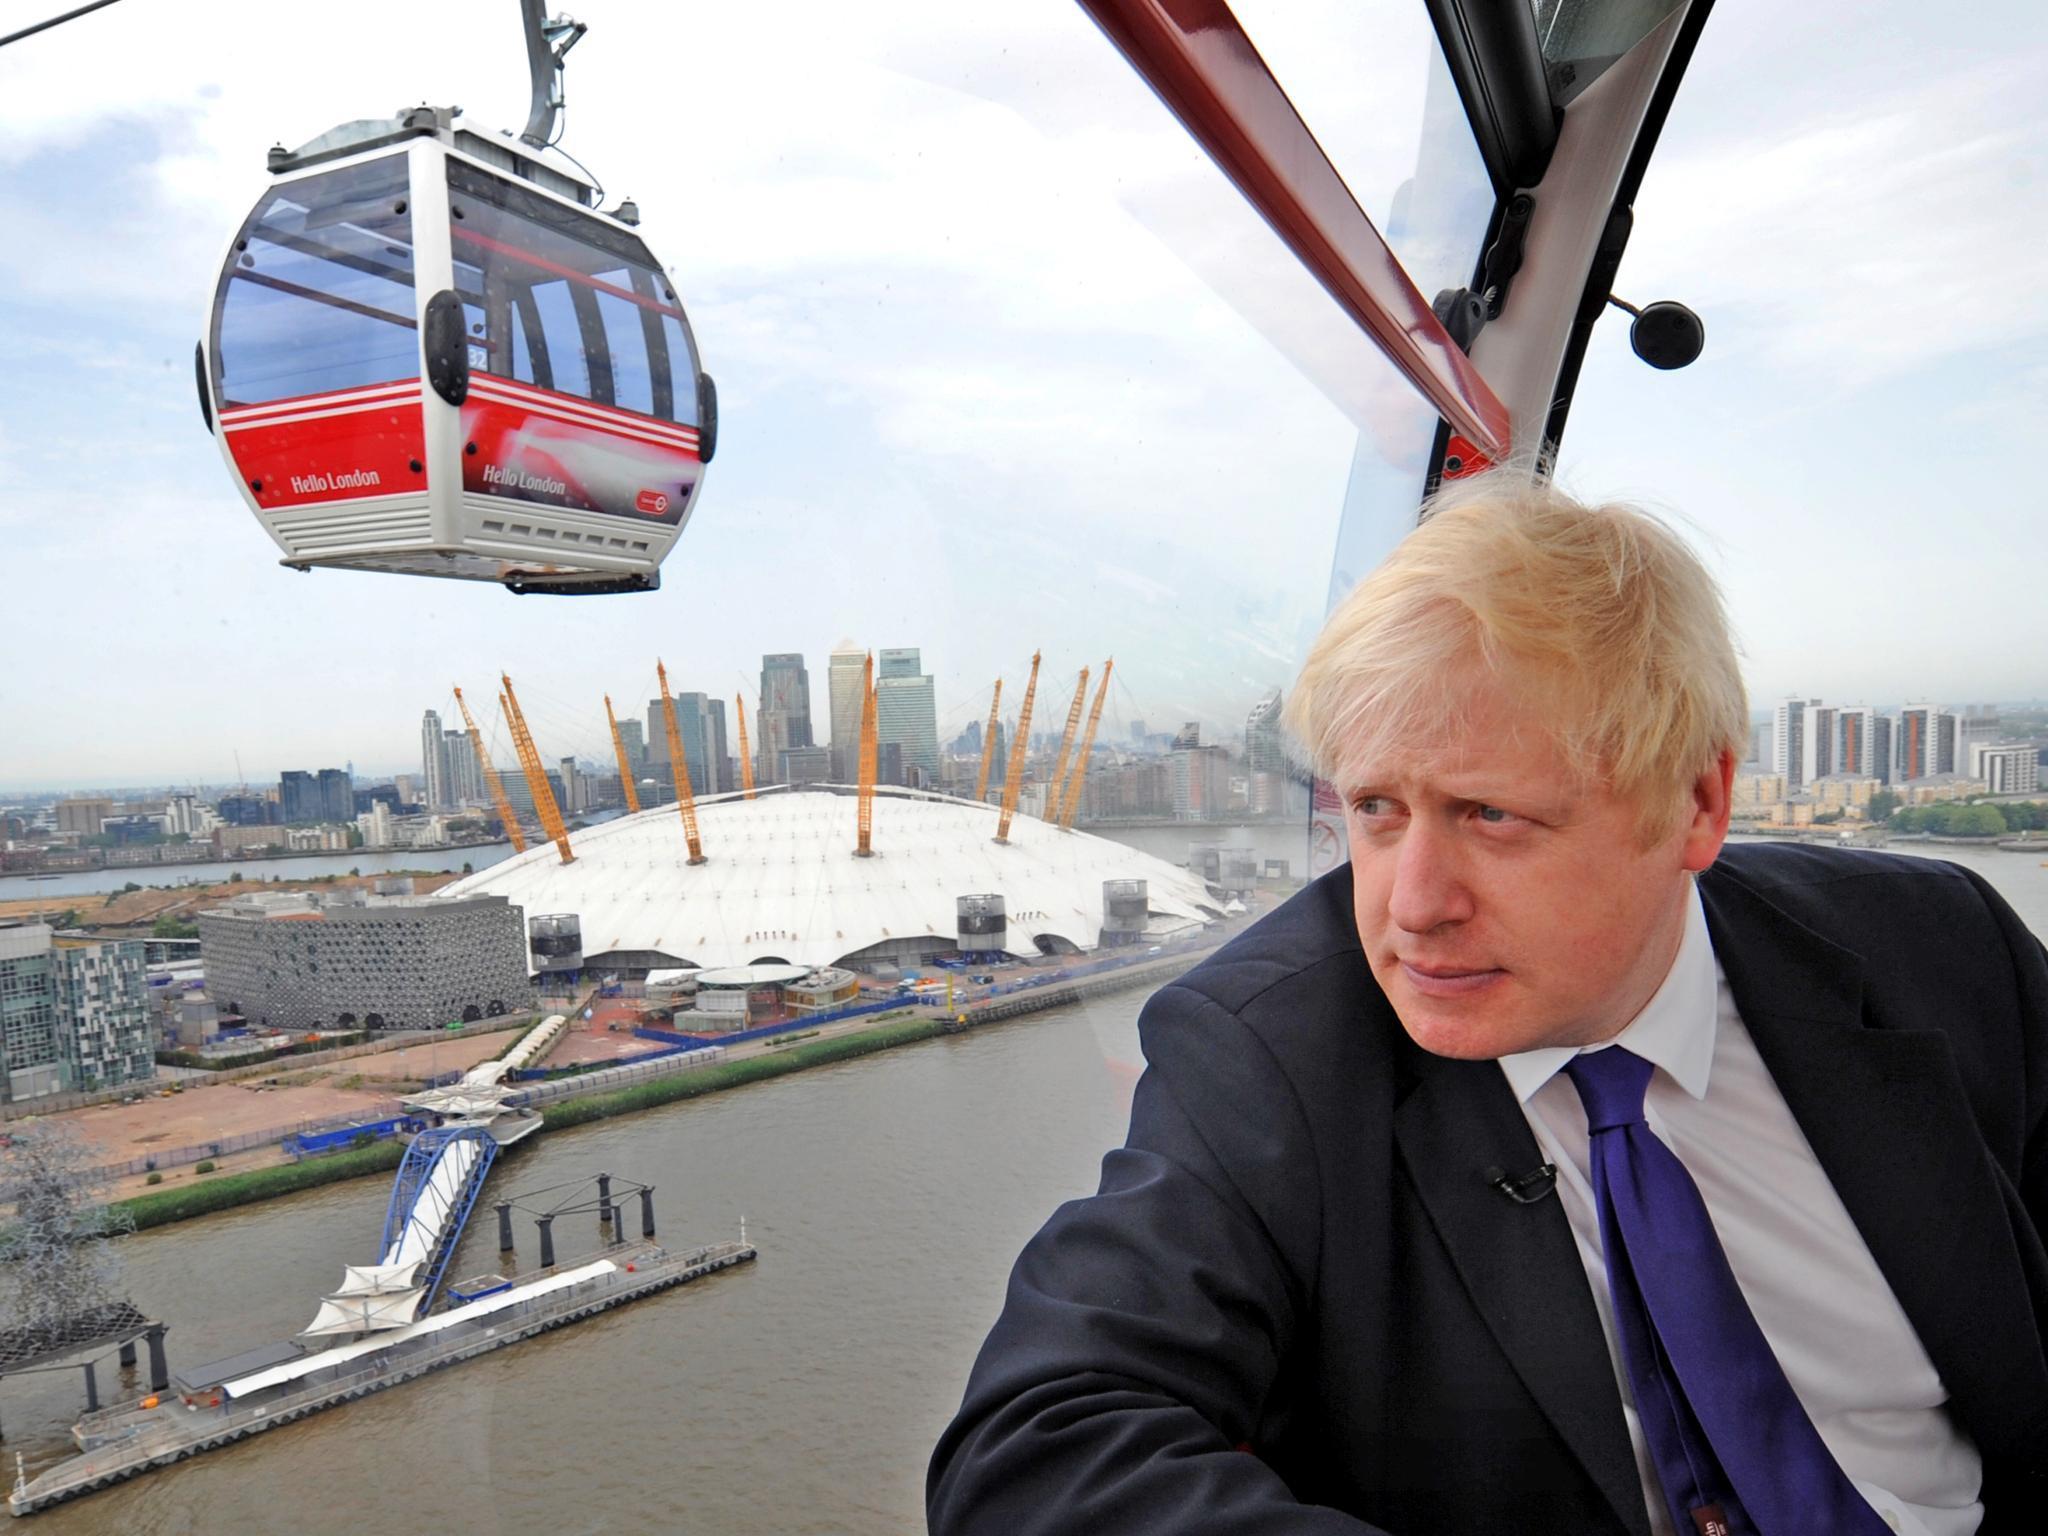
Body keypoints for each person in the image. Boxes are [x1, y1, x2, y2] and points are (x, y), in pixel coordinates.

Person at [928, 474, 2048, 1535]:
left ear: (1695, 802)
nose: (1410, 908)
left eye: (1488, 816)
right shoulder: (1267, 1053)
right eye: (1374, 808)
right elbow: (1036, 1450)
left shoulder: (1940, 950)